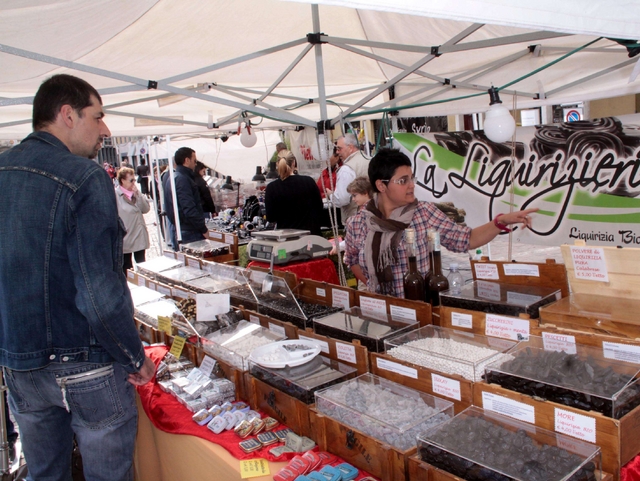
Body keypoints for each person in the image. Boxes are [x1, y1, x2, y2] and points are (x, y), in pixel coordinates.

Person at [0, 74, 155, 481]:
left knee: (45, 474)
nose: (105, 130)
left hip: (20, 363)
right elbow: (99, 291)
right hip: (85, 366)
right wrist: (133, 355)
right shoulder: (84, 177)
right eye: (98, 117)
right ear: (67, 115)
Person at [344, 148, 538, 297]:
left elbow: (465, 239)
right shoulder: (358, 223)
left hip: (421, 307)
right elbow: (352, 260)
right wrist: (374, 285)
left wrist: (500, 222)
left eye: (412, 178)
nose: (411, 185)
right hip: (380, 310)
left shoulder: (423, 213)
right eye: (403, 181)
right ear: (381, 185)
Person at [264, 151, 324, 235]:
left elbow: (271, 217)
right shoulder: (308, 181)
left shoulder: (272, 188)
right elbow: (319, 208)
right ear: (294, 163)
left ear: (277, 164)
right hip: (311, 236)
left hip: (287, 237)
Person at [163, 147, 207, 249]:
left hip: (183, 228)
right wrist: (203, 229)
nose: (196, 164)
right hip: (189, 230)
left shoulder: (175, 177)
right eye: (194, 160)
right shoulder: (182, 179)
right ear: (187, 160)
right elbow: (189, 209)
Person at [115, 167, 151, 274]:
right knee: (127, 268)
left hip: (139, 235)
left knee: (142, 265)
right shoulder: (116, 195)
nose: (133, 183)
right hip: (126, 237)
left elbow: (146, 209)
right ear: (122, 180)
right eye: (131, 180)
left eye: (134, 180)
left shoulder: (135, 193)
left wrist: (138, 195)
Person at [328, 133, 370, 222]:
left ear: (350, 148)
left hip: (355, 220)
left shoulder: (346, 169)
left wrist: (331, 195)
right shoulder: (370, 160)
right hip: (373, 217)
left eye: (339, 148)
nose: (337, 152)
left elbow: (342, 199)